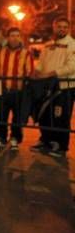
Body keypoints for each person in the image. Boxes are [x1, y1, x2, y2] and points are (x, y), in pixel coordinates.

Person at [30, 17, 75, 157]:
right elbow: (41, 63)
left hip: (64, 87)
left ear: (68, 29)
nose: (62, 29)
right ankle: (45, 141)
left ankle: (61, 147)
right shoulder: (48, 45)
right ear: (54, 27)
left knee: (61, 117)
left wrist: (52, 73)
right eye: (59, 26)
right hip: (46, 86)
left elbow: (72, 66)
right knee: (44, 115)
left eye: (64, 27)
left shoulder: (72, 45)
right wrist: (36, 71)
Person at [0, 27, 33, 150]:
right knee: (1, 116)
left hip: (18, 91)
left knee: (17, 117)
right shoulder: (1, 52)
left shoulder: (26, 53)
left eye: (17, 35)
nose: (15, 38)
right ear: (7, 38)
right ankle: (1, 137)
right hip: (3, 90)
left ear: (20, 37)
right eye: (12, 35)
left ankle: (15, 139)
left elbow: (29, 71)